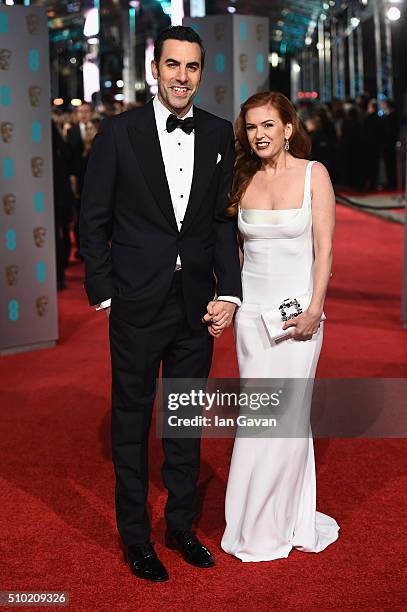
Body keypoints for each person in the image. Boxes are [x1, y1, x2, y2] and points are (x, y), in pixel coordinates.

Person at [79, 26, 242, 582]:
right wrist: (104, 291)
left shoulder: (220, 133)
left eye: (191, 67)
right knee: (131, 421)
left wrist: (229, 289)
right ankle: (135, 538)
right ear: (155, 69)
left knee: (184, 418)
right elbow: (92, 217)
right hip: (135, 301)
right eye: (172, 65)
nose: (181, 77)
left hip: (194, 303)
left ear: (201, 72)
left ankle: (180, 525)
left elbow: (222, 223)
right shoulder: (119, 134)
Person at [218, 91, 339, 562]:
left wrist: (315, 309)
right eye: (251, 127)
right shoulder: (240, 177)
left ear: (288, 128)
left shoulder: (314, 174)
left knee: (285, 417)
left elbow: (325, 251)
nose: (260, 135)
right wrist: (230, 303)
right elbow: (239, 253)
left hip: (300, 316)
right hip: (252, 317)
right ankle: (263, 519)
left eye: (268, 125)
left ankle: (273, 525)